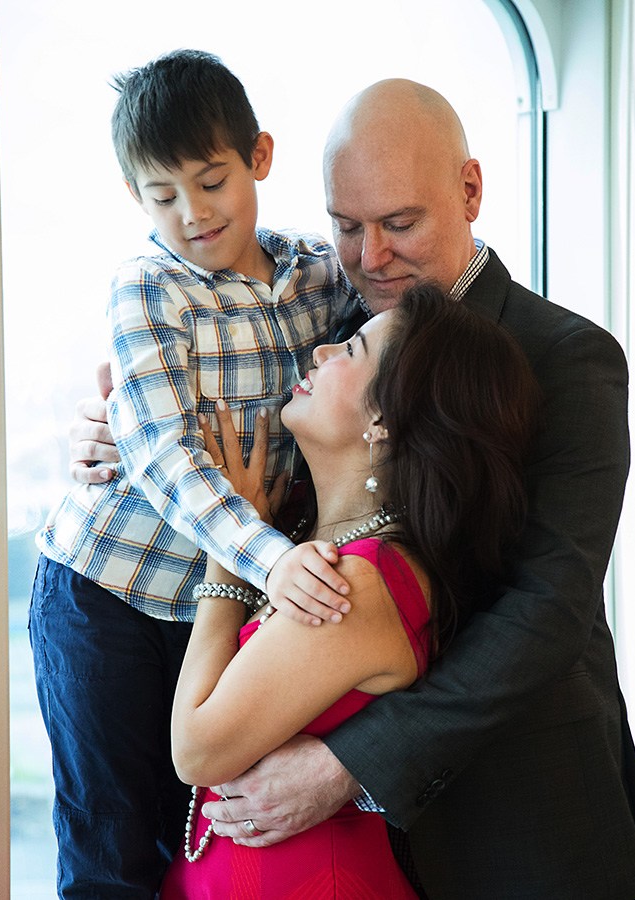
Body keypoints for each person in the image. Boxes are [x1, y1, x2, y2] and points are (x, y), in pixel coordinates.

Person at [70, 79, 635, 898]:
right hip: (347, 841)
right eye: (346, 228)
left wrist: (353, 764)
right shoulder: (336, 339)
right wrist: (116, 430)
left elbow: (544, 611)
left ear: (470, 191)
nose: (371, 257)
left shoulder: (568, 358)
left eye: (400, 224)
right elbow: (219, 426)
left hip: (517, 811)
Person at [30, 49, 360, 897]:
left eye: (211, 182)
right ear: (134, 197)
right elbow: (163, 456)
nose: (191, 214)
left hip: (217, 602)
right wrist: (275, 560)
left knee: (206, 843)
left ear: (260, 158)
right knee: (114, 847)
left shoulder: (320, 276)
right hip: (105, 595)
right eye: (161, 195)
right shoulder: (147, 287)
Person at [159, 283, 541, 898]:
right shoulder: (320, 543)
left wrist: (227, 551)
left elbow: (197, 751)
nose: (321, 352)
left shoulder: (358, 585)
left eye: (352, 350)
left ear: (382, 421)